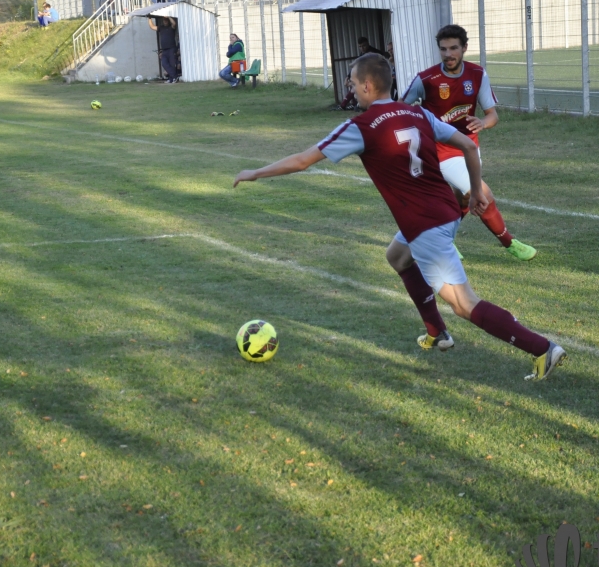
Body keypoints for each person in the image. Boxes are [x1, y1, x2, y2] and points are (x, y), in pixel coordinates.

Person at [232, 55, 565, 380]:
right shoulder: (417, 112)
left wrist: (255, 173)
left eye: (352, 83)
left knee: (464, 304)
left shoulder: (361, 126)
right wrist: (476, 190)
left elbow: (303, 160)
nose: (351, 89)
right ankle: (437, 331)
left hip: (426, 225)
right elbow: (467, 144)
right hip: (447, 211)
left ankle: (542, 349)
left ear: (367, 85)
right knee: (398, 256)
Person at [401, 25, 536, 262]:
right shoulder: (426, 79)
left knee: (463, 199)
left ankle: (443, 240)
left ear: (464, 47)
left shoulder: (477, 74)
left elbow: (493, 115)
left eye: (453, 48)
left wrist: (482, 122)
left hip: (469, 147)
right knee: (481, 192)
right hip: (440, 151)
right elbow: (399, 109)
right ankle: (509, 242)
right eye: (443, 49)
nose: (448, 54)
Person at [339, 37, 389, 110]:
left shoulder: (374, 53)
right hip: (368, 76)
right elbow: (357, 65)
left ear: (368, 44)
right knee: (354, 83)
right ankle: (352, 104)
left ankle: (346, 104)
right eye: (360, 46)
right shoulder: (362, 54)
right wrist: (348, 77)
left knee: (357, 85)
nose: (362, 48)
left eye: (364, 46)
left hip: (376, 77)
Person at [149, 16, 179, 82]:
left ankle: (171, 79)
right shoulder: (161, 27)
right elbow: (152, 27)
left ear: (168, 20)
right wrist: (149, 18)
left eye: (166, 20)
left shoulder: (171, 27)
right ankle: (175, 77)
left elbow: (174, 24)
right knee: (164, 63)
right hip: (164, 50)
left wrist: (168, 16)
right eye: (164, 20)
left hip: (171, 49)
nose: (165, 21)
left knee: (172, 64)